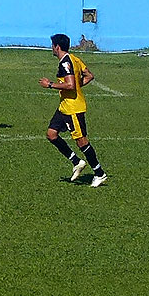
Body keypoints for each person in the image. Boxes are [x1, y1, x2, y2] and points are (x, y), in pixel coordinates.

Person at [40, 32, 106, 187]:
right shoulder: (74, 59)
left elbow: (70, 85)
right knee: (51, 134)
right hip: (64, 107)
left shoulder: (65, 63)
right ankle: (76, 162)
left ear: (57, 47)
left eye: (52, 46)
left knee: (81, 141)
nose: (52, 48)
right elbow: (89, 76)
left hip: (73, 108)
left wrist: (50, 85)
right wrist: (76, 85)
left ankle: (99, 173)